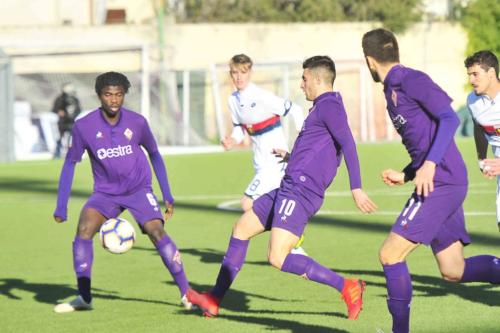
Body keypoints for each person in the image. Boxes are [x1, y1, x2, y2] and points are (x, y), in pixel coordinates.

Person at [186, 55, 377, 320]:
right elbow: (321, 148)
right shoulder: (321, 107)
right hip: (289, 185)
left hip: (300, 192)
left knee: (277, 257)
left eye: (304, 78)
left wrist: (356, 187)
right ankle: (214, 299)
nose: (301, 85)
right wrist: (293, 158)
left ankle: (347, 286)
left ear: (318, 79)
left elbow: (348, 144)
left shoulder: (329, 106)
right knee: (241, 228)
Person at [362, 28, 500, 333]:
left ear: (370, 61)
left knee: (389, 254)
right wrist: (408, 172)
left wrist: (428, 167)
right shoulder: (391, 89)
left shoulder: (411, 80)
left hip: (442, 181)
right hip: (439, 179)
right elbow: (423, 141)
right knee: (454, 269)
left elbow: (449, 119)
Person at [53, 72, 192, 313]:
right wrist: (61, 206)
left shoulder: (137, 122)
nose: (114, 100)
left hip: (139, 189)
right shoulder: (84, 127)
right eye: (108, 94)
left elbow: (155, 154)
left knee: (156, 232)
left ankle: (187, 293)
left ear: (124, 95)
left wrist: (167, 194)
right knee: (84, 230)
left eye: (118, 94)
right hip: (106, 193)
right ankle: (84, 298)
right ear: (99, 96)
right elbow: (70, 163)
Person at [223, 54, 307, 254]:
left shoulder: (262, 97)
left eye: (243, 72)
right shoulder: (232, 100)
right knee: (275, 204)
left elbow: (295, 110)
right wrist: (232, 140)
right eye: (235, 73)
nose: (239, 77)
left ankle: (290, 238)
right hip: (260, 162)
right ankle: (293, 241)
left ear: (250, 72)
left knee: (247, 203)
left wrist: (301, 139)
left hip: (275, 161)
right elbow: (239, 128)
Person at [464, 50, 500, 231]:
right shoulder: (473, 101)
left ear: (491, 73)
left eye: (475, 74)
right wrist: (481, 159)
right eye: (469, 75)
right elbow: (479, 127)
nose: (471, 80)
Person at [52, 82, 81, 158]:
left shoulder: (75, 99)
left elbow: (78, 110)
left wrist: (72, 116)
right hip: (62, 122)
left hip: (71, 122)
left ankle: (71, 153)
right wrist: (60, 112)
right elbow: (55, 109)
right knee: (60, 137)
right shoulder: (60, 99)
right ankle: (57, 154)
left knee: (72, 139)